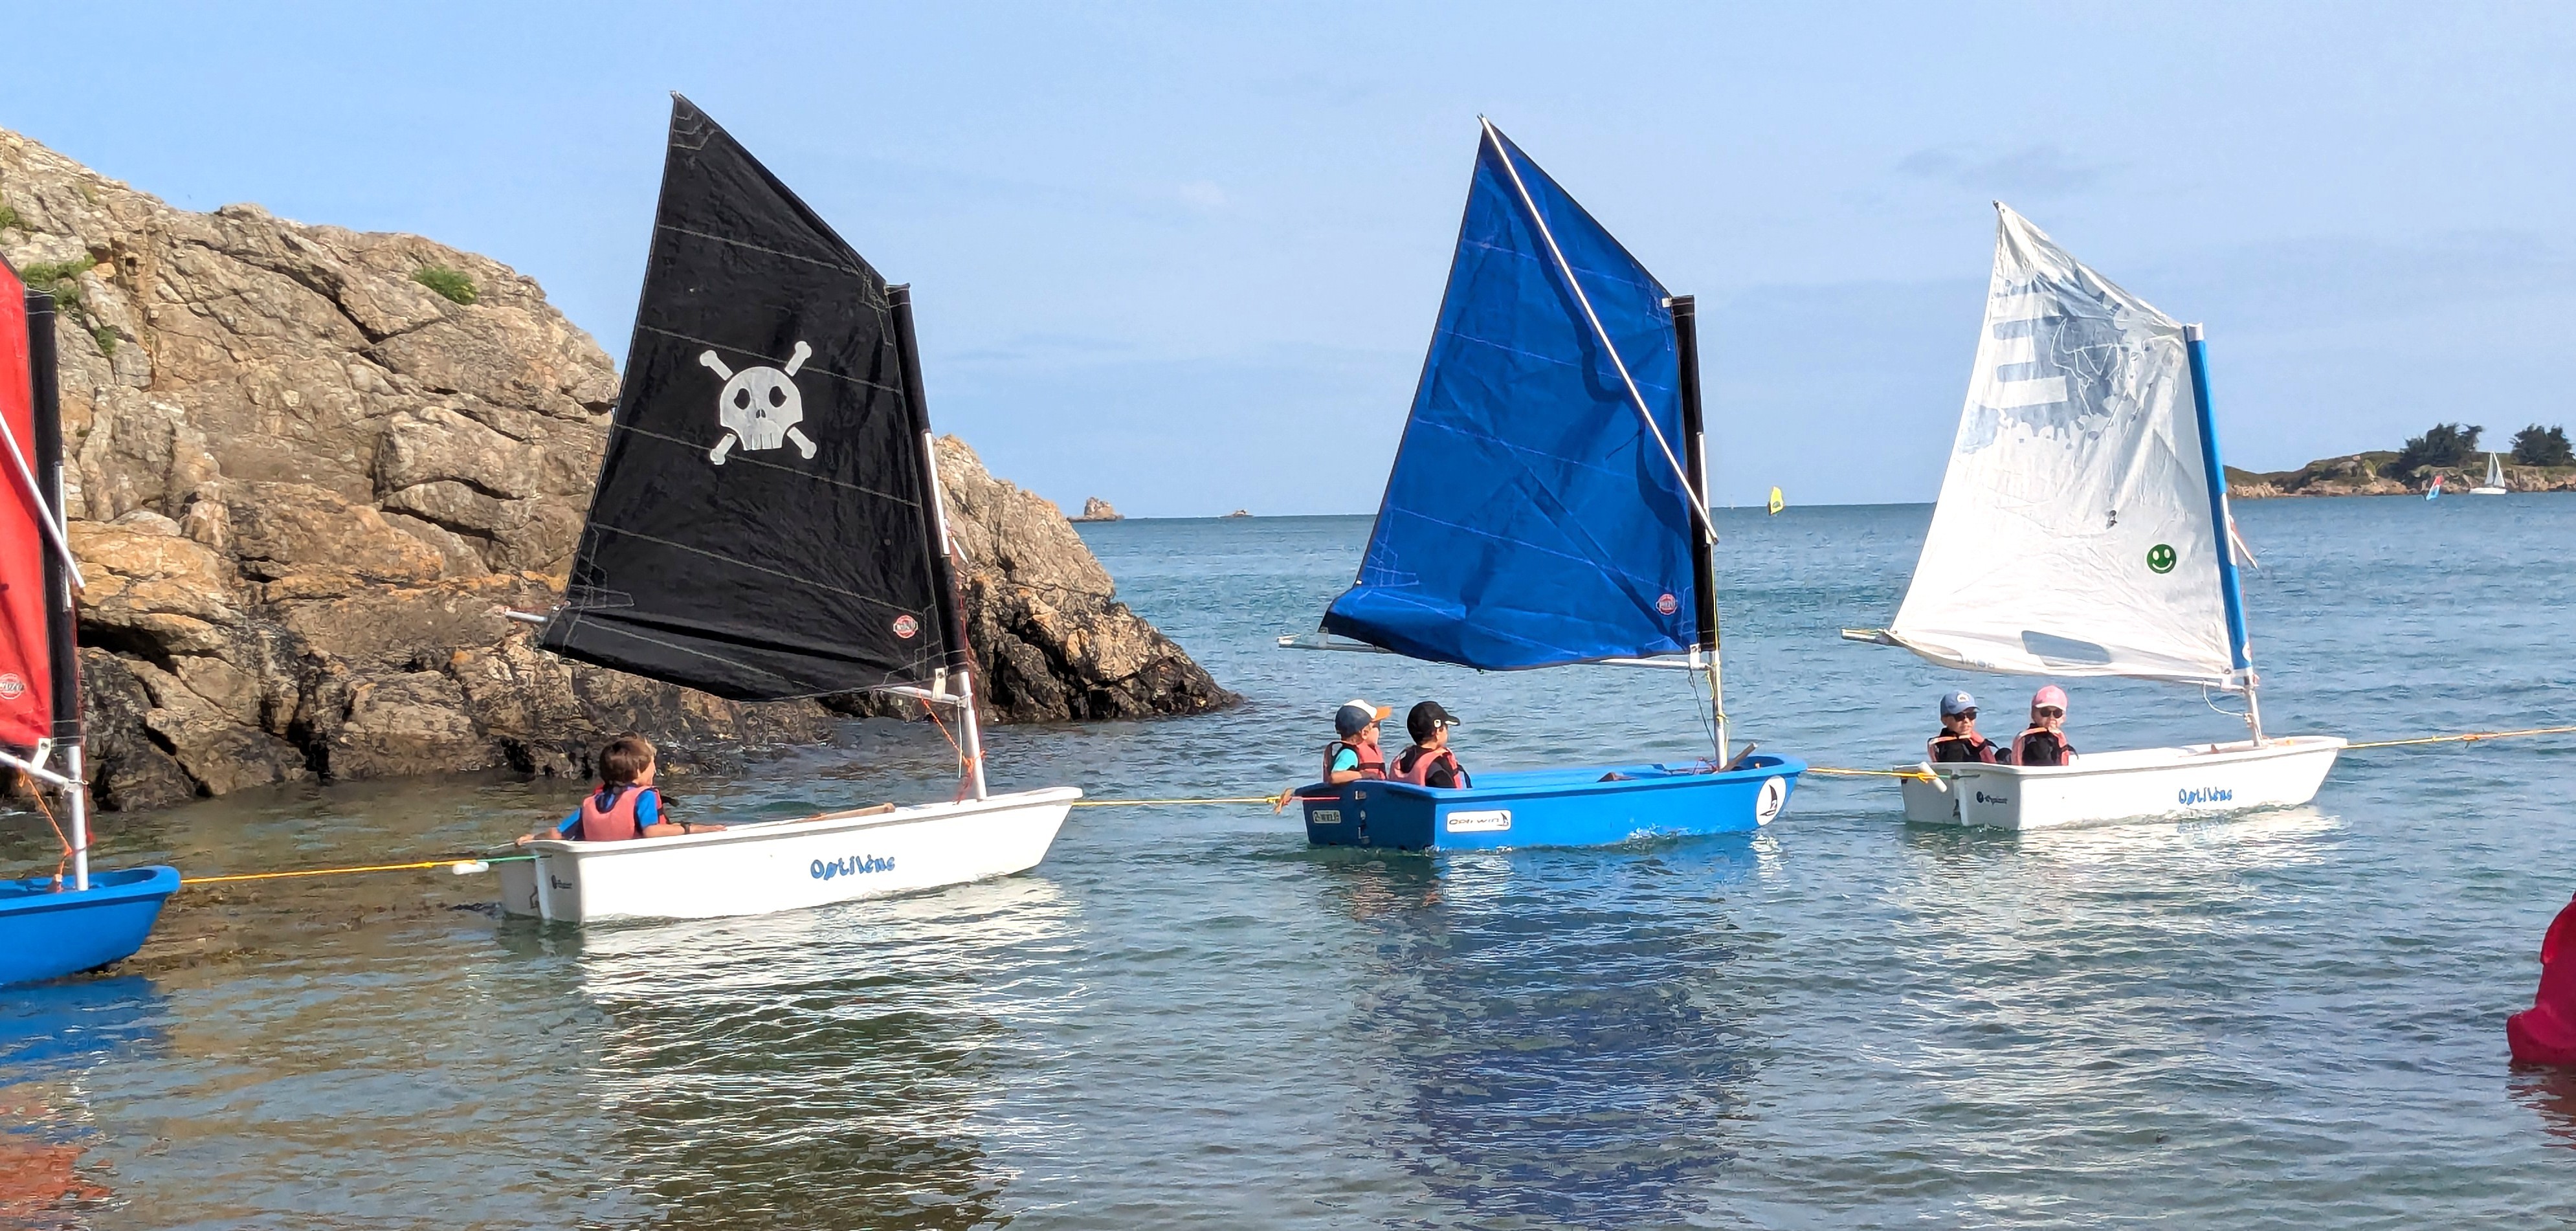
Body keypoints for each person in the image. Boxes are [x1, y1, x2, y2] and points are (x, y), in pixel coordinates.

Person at [520, 734, 726, 843]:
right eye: (652, 764)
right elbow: (652, 831)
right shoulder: (644, 797)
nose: (655, 768)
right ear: (638, 771)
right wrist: (694, 829)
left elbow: (557, 835)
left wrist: (534, 838)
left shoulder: (594, 803)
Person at [1392, 701, 1471, 788]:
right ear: (1437, 732)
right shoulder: (1438, 767)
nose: (1447, 732)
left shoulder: (1405, 759)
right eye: (1446, 727)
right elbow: (1450, 799)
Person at [1322, 700, 1391, 786]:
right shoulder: (1349, 753)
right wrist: (1364, 775)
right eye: (1377, 726)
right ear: (1365, 733)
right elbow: (1335, 777)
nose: (1380, 731)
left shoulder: (1362, 751)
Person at [1926, 690, 2005, 764]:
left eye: (1971, 715)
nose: (1966, 721)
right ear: (1944, 720)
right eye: (1959, 716)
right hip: (1972, 775)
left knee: (2004, 753)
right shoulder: (1952, 747)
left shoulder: (1971, 740)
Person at [2014, 685, 2078, 768]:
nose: (2051, 717)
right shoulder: (2034, 742)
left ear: (2063, 718)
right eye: (2045, 712)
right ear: (2033, 714)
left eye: (2057, 713)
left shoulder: (2055, 738)